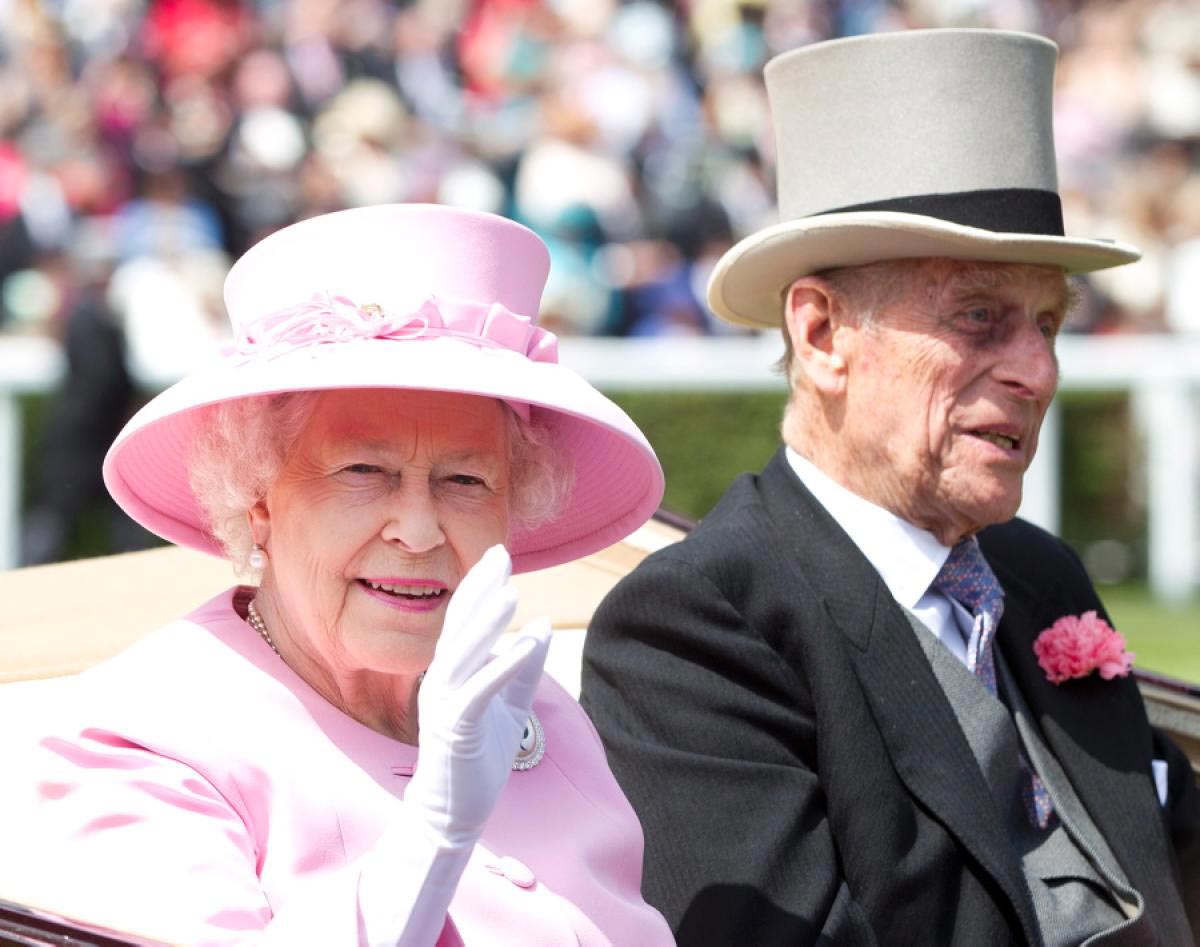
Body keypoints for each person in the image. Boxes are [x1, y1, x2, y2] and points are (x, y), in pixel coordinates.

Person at [580, 29, 1200, 946]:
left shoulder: (1038, 576)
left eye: (1048, 322)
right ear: (824, 332)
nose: (1036, 369)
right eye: (980, 318)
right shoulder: (692, 631)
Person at [1, 204, 674, 946]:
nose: (418, 532)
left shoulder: (537, 707)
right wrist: (430, 833)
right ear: (255, 497)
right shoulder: (131, 739)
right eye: (364, 471)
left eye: (465, 480)